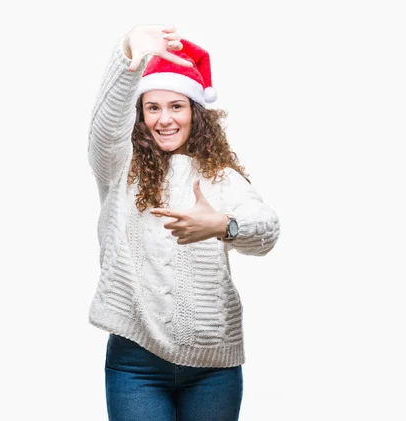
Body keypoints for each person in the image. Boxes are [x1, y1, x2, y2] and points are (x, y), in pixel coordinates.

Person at [87, 24, 280, 421]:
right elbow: (105, 131)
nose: (164, 119)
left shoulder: (220, 176)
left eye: (177, 106)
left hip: (213, 366)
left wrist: (224, 225)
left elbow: (267, 229)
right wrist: (128, 57)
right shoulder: (119, 167)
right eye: (152, 107)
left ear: (195, 112)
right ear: (140, 114)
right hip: (136, 363)